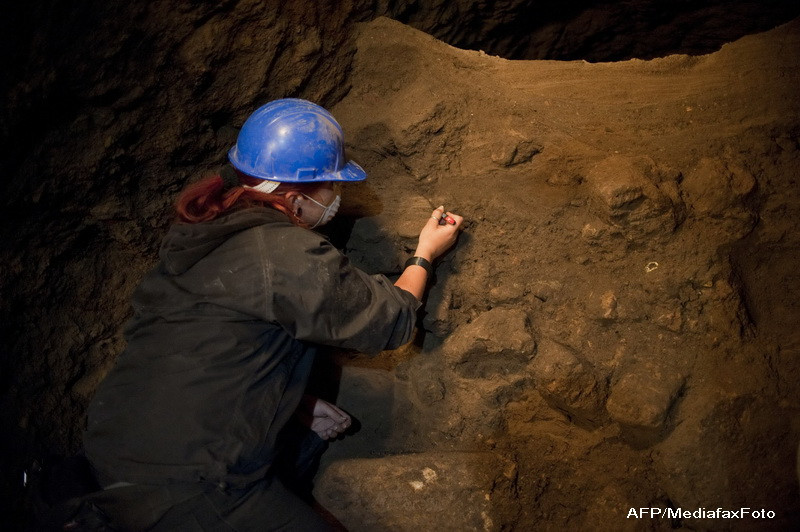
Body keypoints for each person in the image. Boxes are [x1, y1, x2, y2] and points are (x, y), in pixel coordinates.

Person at [81, 98, 463, 530]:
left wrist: (289, 399)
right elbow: (391, 320)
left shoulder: (202, 234)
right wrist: (425, 254)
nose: (337, 195)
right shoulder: (284, 252)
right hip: (188, 483)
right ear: (297, 198)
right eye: (331, 186)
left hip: (113, 448)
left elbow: (204, 346)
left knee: (296, 451)